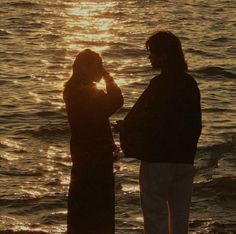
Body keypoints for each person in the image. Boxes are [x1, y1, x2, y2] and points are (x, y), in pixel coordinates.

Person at [120, 31, 202, 234]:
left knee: (155, 217)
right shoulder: (190, 83)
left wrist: (124, 129)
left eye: (152, 53)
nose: (150, 57)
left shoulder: (158, 85)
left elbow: (139, 118)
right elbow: (196, 123)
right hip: (184, 160)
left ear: (163, 55)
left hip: (157, 161)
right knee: (180, 220)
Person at [63, 49, 123, 234]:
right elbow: (116, 101)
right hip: (94, 156)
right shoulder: (83, 91)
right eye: (98, 66)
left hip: (85, 154)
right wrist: (109, 78)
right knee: (98, 207)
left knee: (84, 205)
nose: (101, 70)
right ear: (85, 68)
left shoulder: (74, 89)